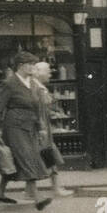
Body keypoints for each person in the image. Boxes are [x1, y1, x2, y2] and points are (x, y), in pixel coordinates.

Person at [0, 51, 52, 209]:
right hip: (14, 126)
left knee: (17, 161)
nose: (33, 67)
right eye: (30, 64)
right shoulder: (10, 83)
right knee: (27, 158)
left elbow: (37, 106)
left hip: (29, 126)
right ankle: (37, 199)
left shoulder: (31, 83)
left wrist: (41, 127)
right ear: (20, 66)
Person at [30, 61, 73, 198]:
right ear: (39, 72)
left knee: (38, 156)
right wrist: (41, 127)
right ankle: (55, 188)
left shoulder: (35, 86)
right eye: (48, 71)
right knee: (48, 155)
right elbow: (39, 109)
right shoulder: (38, 88)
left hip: (40, 127)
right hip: (41, 128)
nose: (50, 74)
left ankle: (31, 191)